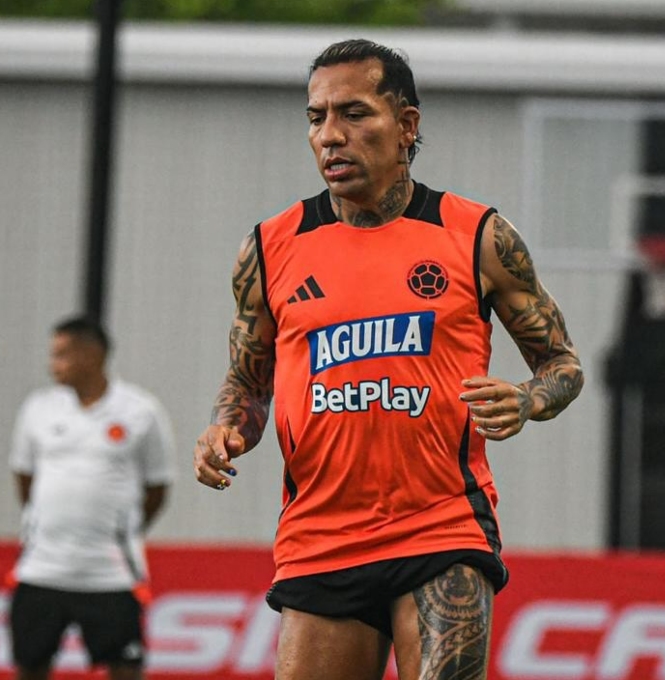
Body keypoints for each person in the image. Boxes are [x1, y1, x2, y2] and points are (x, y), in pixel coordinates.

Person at [193, 38, 584, 680]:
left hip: (441, 528)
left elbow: (562, 364)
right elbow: (248, 382)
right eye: (316, 117)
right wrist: (226, 429)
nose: (330, 135)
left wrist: (526, 400)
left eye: (353, 113)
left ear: (406, 125)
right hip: (320, 537)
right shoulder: (269, 248)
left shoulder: (477, 235)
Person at [7, 316, 175, 680]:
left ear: (91, 355)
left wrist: (121, 531)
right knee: (30, 666)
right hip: (41, 568)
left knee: (125, 668)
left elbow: (157, 488)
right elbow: (25, 480)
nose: (52, 365)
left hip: (111, 574)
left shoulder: (140, 411)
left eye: (61, 355)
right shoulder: (38, 408)